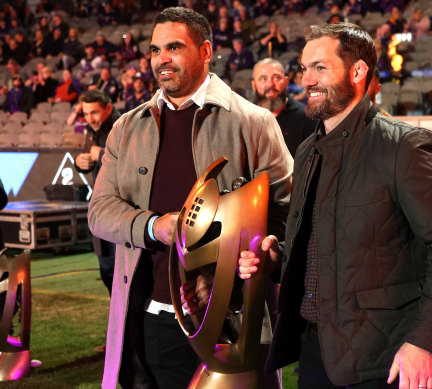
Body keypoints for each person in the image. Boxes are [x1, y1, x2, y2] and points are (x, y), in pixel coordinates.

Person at [238, 22, 432, 389]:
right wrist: (275, 258)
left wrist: (425, 342)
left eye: (320, 67)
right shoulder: (307, 151)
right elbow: (323, 243)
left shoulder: (403, 146)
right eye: (304, 69)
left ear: (358, 71)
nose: (308, 80)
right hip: (315, 351)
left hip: (382, 359)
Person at [87, 7, 292, 389]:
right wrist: (154, 226)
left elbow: (289, 213)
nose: (161, 58)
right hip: (145, 320)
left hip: (227, 324)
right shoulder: (126, 128)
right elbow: (99, 211)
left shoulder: (253, 122)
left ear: (206, 51)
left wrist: (261, 251)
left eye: (174, 47)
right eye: (153, 50)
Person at [74, 90, 120, 295]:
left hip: (121, 211)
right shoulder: (91, 130)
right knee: (107, 270)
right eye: (86, 113)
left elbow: (133, 165)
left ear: (108, 108)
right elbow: (91, 162)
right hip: (100, 209)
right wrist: (80, 164)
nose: (89, 119)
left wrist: (100, 154)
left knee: (121, 273)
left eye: (94, 113)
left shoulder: (123, 127)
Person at [252, 58, 316, 157]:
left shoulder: (306, 116)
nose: (270, 84)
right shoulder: (245, 118)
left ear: (286, 82)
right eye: (263, 79)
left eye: (276, 77)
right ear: (254, 85)